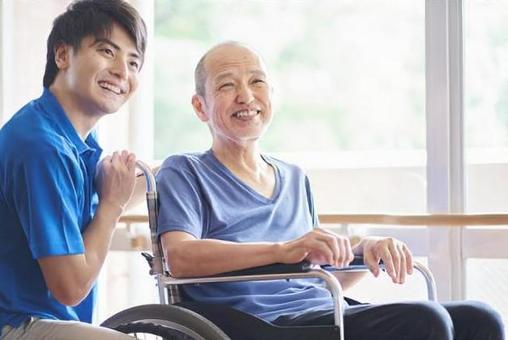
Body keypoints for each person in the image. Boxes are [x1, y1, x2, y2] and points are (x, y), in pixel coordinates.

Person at [156, 41, 504, 340]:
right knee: (425, 321)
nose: (246, 96)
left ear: (271, 94)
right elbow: (181, 258)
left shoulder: (294, 177)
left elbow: (317, 276)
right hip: (257, 323)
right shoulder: (185, 170)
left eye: (257, 81)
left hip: (321, 310)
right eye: (227, 86)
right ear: (200, 106)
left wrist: (365, 253)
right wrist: (284, 249)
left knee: (480, 317)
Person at [0, 1, 147, 339]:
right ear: (62, 56)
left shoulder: (72, 138)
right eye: (107, 51)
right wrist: (112, 206)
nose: (122, 71)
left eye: (133, 61)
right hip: (16, 324)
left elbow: (106, 196)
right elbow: (70, 287)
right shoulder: (41, 145)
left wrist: (175, 171)